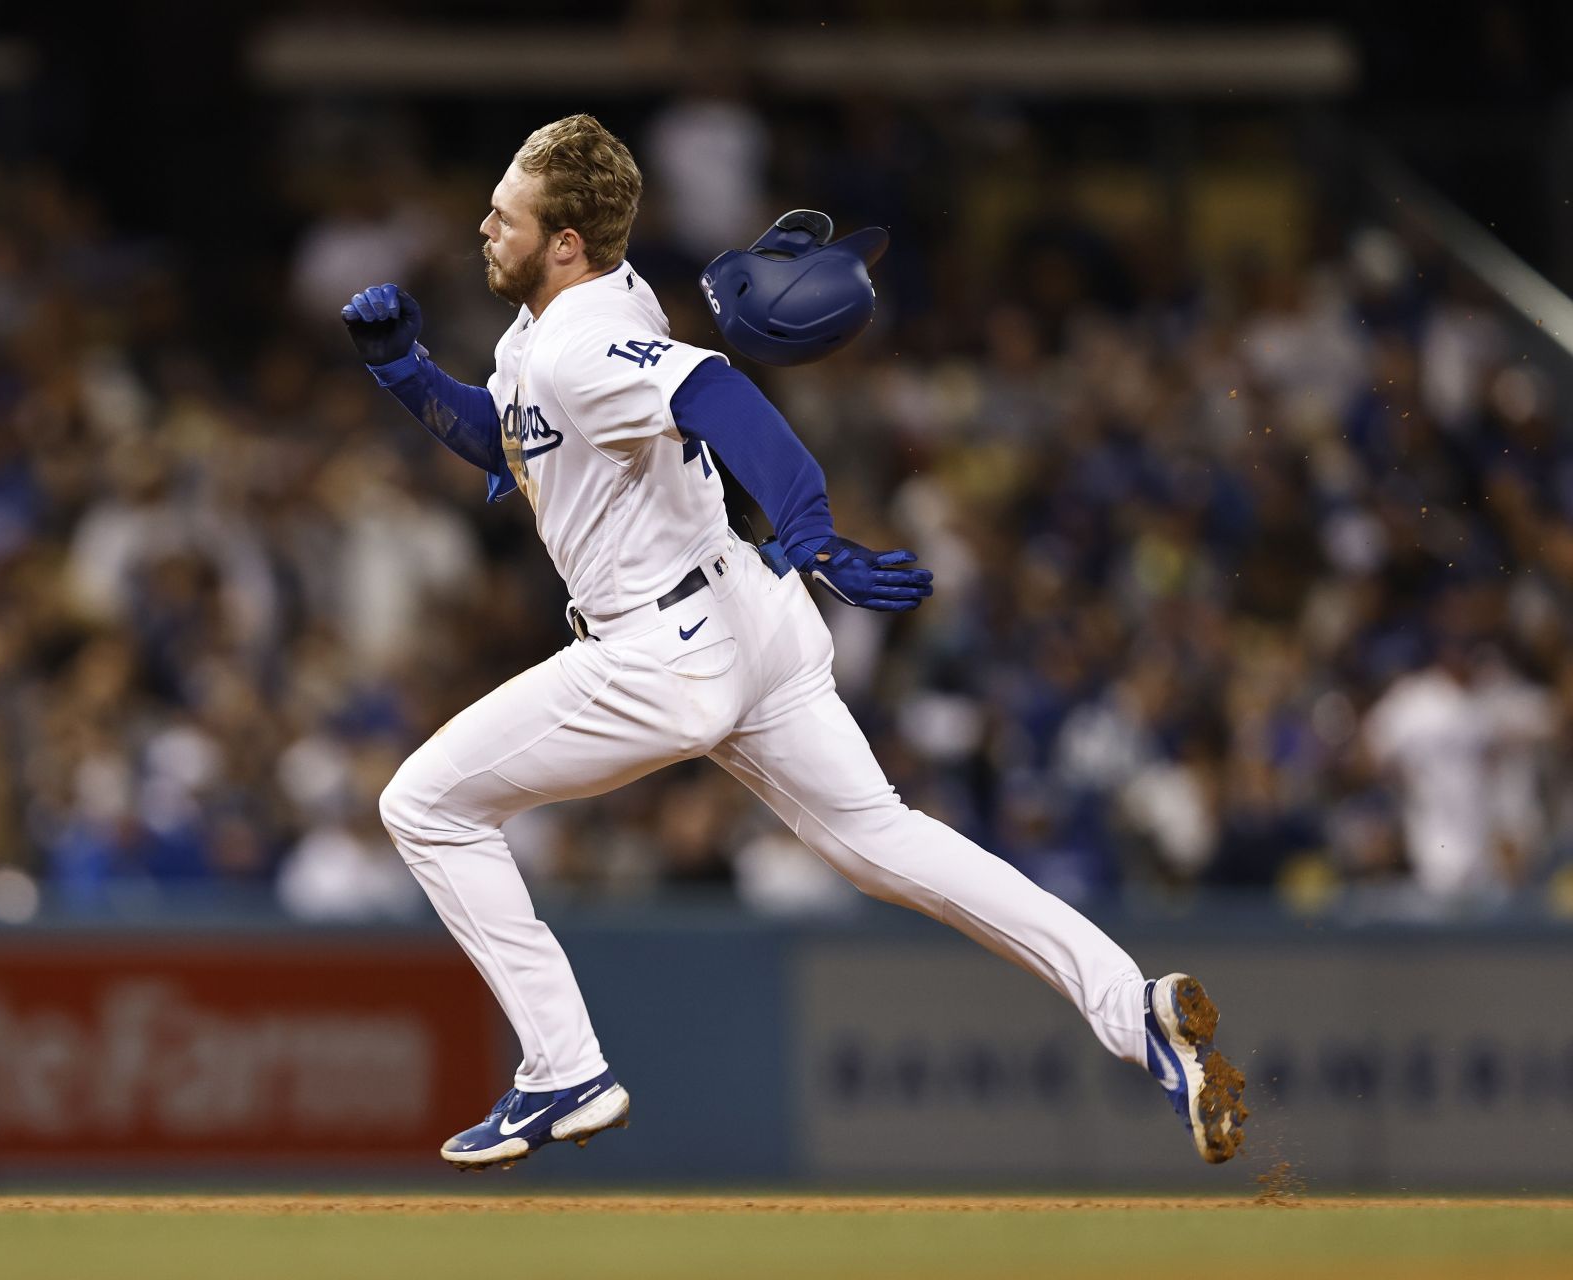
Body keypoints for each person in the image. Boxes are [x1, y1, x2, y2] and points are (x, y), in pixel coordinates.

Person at [342, 114, 1245, 1171]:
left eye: (509, 212)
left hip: (662, 645)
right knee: (888, 841)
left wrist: (810, 528)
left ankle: (563, 1067)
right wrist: (403, 370)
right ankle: (1135, 1010)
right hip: (748, 621)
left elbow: (721, 392)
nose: (484, 222)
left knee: (425, 804)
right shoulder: (564, 322)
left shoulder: (583, 338)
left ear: (569, 242)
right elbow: (504, 442)